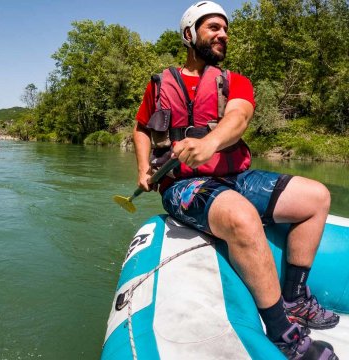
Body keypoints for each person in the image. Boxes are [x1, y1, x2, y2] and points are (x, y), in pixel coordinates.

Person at [133, 2, 339, 359]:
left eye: (225, 29)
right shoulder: (159, 84)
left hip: (237, 176)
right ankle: (281, 334)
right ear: (189, 34)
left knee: (316, 196)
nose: (223, 34)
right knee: (241, 217)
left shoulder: (235, 81)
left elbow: (239, 117)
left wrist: (210, 142)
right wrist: (142, 169)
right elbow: (140, 128)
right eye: (213, 27)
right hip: (183, 186)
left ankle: (295, 299)